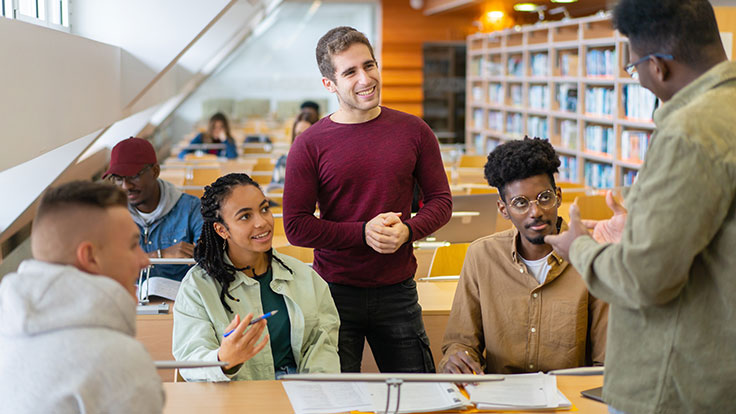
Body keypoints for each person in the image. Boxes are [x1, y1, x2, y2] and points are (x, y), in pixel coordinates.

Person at [544, 1, 736, 412]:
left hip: (675, 384)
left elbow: (646, 278)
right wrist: (639, 228)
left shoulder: (688, 130)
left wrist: (580, 248)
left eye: (634, 68)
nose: (641, 80)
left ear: (658, 66)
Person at [283, 26, 452, 373]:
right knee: (339, 397)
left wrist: (408, 230)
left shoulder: (415, 131)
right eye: (350, 72)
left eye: (369, 65)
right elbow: (296, 226)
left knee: (418, 393)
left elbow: (441, 201)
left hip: (398, 291)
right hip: (333, 293)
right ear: (329, 84)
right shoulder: (309, 144)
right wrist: (362, 233)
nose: (365, 79)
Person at [439, 138, 608, 375]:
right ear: (503, 209)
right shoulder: (481, 257)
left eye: (545, 197)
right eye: (520, 203)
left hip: (568, 394)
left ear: (558, 196)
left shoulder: (591, 259)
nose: (535, 212)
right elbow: (460, 343)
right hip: (501, 394)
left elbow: (606, 363)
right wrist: (456, 359)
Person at [0, 181, 164, 413]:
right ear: (90, 256)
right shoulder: (117, 359)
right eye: (132, 245)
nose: (144, 259)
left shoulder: (7, 337)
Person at [172, 173, 340, 381]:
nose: (262, 222)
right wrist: (223, 360)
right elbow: (190, 358)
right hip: (235, 393)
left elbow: (323, 344)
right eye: (245, 216)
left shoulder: (303, 276)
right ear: (222, 230)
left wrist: (313, 388)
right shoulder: (198, 287)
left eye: (264, 209)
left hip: (301, 390)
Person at [105, 137, 203, 282]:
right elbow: (106, 266)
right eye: (118, 178)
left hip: (178, 293)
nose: (126, 186)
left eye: (133, 176)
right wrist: (158, 255)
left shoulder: (191, 208)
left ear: (155, 171)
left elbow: (211, 259)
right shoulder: (111, 215)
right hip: (131, 293)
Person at [270, 112, 314, 187]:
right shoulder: (283, 161)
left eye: (306, 134)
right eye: (299, 134)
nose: (302, 138)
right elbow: (274, 189)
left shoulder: (320, 164)